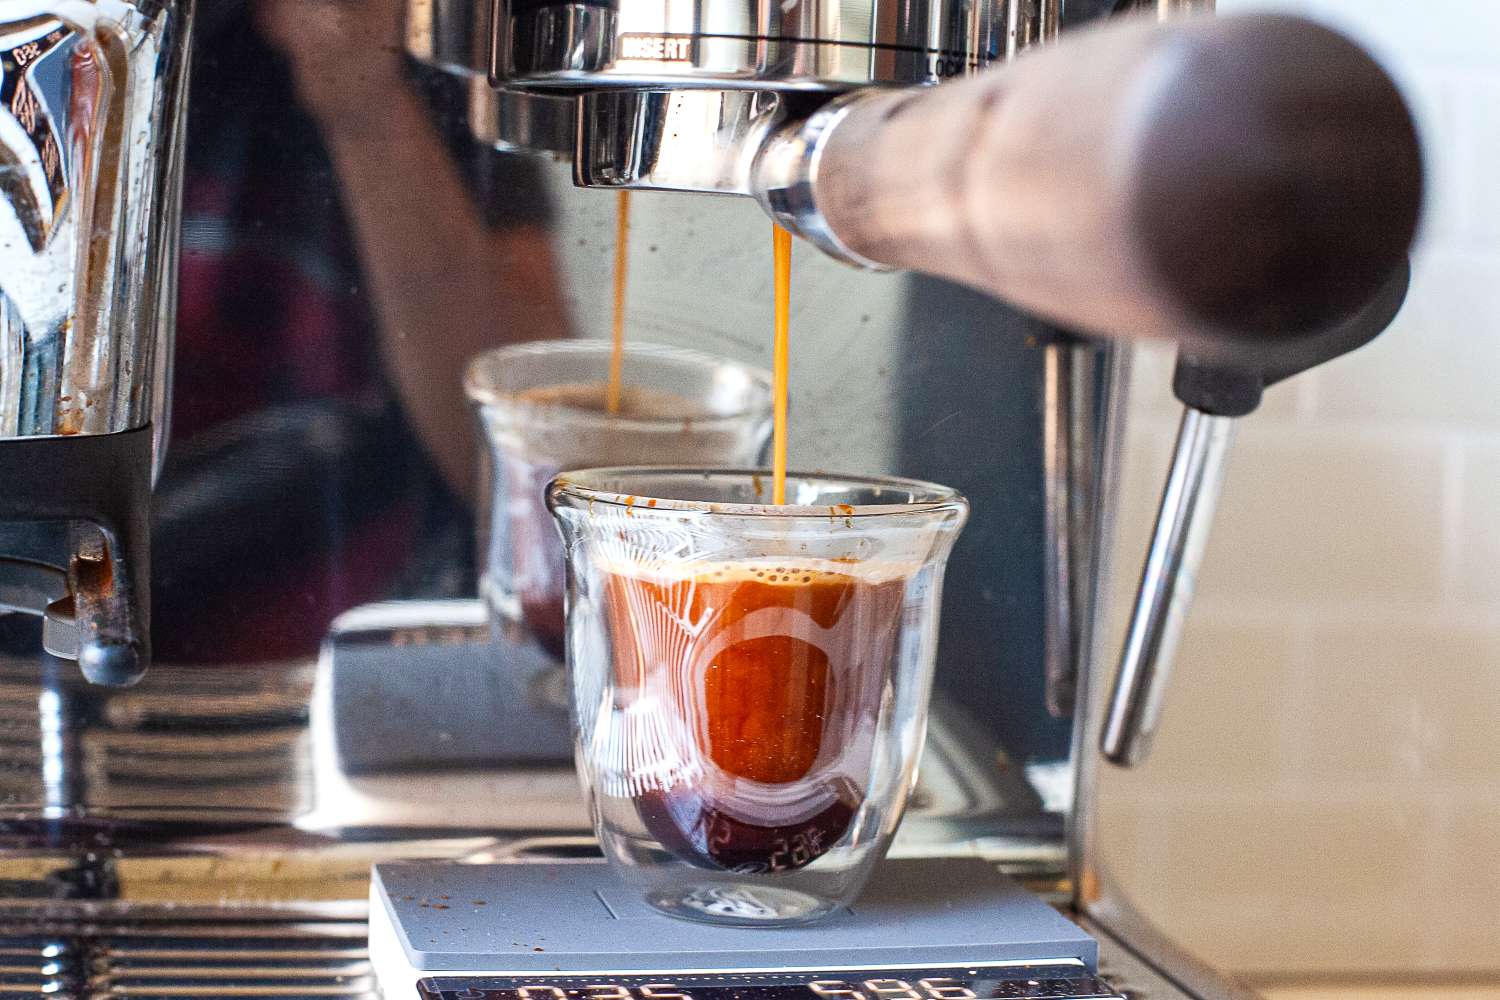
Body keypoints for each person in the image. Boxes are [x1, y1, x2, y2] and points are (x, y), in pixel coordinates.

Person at [154, 0, 571, 662]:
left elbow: (523, 472)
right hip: (59, 652)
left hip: (374, 658)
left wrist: (365, 99)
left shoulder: (428, 43)